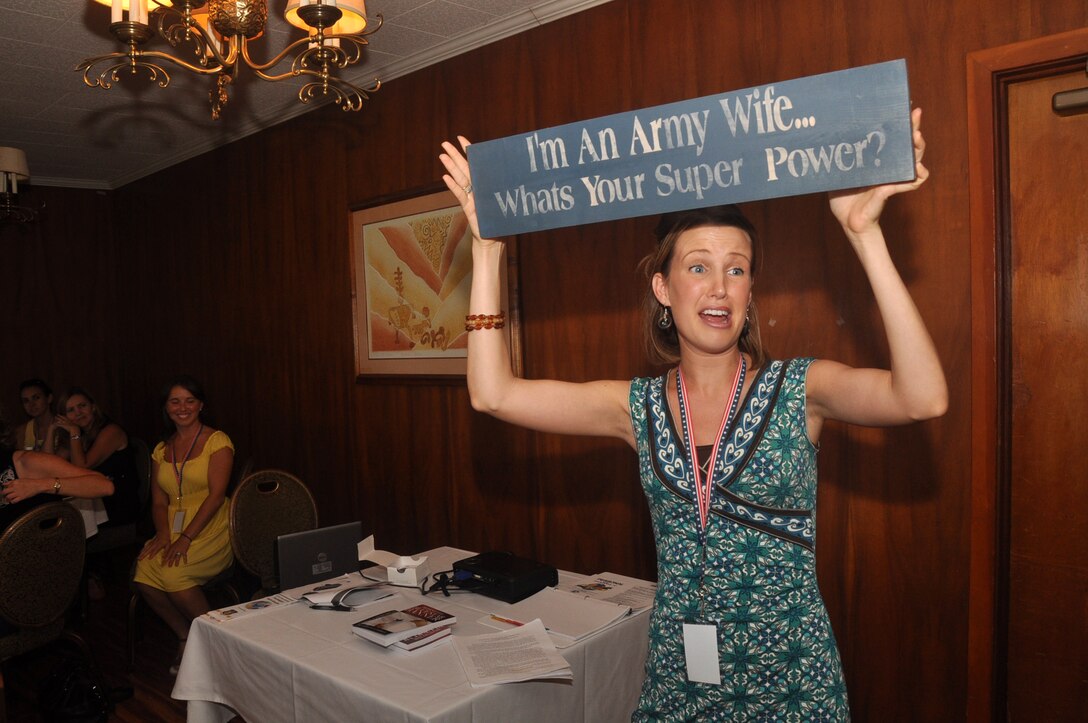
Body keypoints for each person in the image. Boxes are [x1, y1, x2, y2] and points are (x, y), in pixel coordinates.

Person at [439, 108, 947, 720]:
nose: (719, 288)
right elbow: (493, 394)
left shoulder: (800, 389)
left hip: (790, 680)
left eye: (737, 269)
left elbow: (923, 398)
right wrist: (487, 253)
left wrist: (865, 235)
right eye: (698, 266)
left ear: (751, 292)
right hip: (680, 679)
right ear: (663, 288)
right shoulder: (637, 407)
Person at [133, 376, 234, 675]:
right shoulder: (161, 449)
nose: (183, 407)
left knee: (175, 574)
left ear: (201, 405)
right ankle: (185, 635)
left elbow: (216, 497)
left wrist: (186, 538)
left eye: (189, 400)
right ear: (166, 407)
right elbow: (159, 502)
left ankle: (222, 642)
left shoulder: (218, 441)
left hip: (210, 525)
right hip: (173, 526)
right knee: (145, 573)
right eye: (175, 401)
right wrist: (164, 534)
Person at [43, 388, 141, 527]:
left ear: (93, 407)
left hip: (118, 503)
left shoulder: (111, 431)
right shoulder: (78, 435)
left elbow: (82, 467)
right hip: (94, 501)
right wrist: (51, 430)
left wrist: (74, 432)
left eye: (82, 406)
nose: (78, 412)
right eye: (71, 410)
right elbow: (47, 465)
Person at [14, 378, 54, 451]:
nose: (31, 404)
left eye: (36, 398)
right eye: (26, 401)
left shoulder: (63, 428)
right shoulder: (21, 432)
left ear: (49, 398)